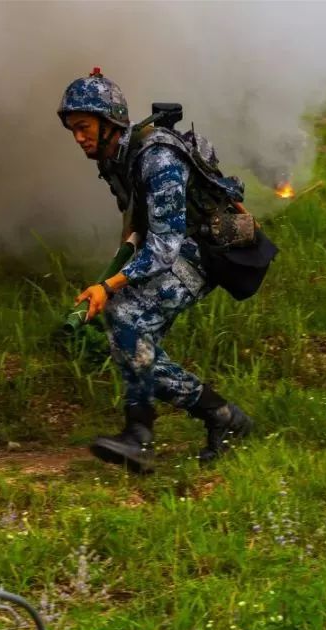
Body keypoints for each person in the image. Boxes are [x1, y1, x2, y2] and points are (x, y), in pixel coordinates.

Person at [59, 68, 253, 471]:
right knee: (132, 345)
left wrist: (108, 287)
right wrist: (113, 276)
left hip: (203, 253)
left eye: (83, 126)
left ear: (109, 122)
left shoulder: (156, 157)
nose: (78, 137)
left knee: (125, 319)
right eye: (72, 129)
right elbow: (136, 228)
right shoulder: (117, 159)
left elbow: (165, 246)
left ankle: (145, 434)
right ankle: (216, 420)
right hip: (176, 248)